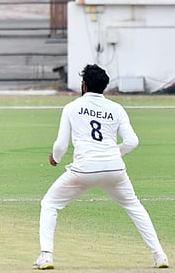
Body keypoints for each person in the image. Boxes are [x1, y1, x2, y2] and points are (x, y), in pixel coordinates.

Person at [33, 64, 169, 270]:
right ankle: (160, 255)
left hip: (84, 170)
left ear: (84, 85)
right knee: (135, 207)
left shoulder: (71, 107)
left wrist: (56, 159)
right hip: (115, 170)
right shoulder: (117, 108)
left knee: (49, 204)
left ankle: (46, 256)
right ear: (104, 86)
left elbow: (61, 144)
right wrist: (114, 153)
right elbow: (132, 141)